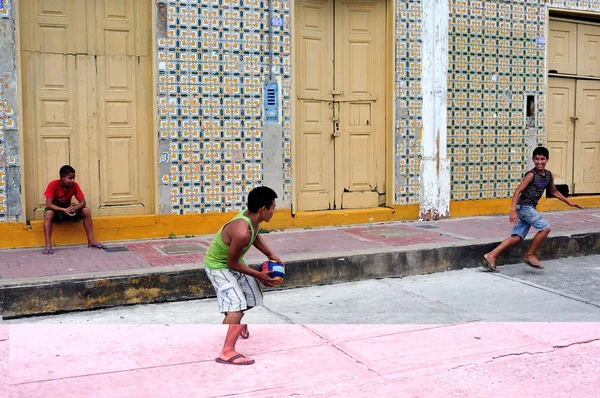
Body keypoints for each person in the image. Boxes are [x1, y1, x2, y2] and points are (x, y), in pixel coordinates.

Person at [204, 186, 283, 366]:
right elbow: (232, 263)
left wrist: (270, 255)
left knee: (251, 297)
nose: (274, 210)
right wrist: (260, 275)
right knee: (236, 305)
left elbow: (254, 236)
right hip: (218, 267)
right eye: (273, 207)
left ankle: (236, 321)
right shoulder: (241, 231)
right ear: (263, 209)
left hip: (232, 263)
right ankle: (227, 351)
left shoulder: (252, 218)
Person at [483, 146, 583, 272]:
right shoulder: (531, 175)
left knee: (517, 237)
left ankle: (491, 255)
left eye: (542, 159)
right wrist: (513, 210)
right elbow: (517, 191)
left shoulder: (548, 175)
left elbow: (554, 191)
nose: (539, 162)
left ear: (547, 160)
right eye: (537, 159)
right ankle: (529, 255)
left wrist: (569, 202)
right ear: (533, 160)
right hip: (524, 207)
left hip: (529, 208)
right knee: (545, 228)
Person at [42, 165, 104, 254]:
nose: (72, 180)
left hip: (69, 211)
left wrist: (74, 208)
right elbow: (48, 205)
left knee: (86, 211)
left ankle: (91, 240)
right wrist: (63, 209)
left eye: (74, 178)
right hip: (57, 212)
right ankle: (48, 244)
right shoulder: (53, 185)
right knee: (48, 213)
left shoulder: (74, 186)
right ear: (62, 177)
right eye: (70, 178)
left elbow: (83, 202)